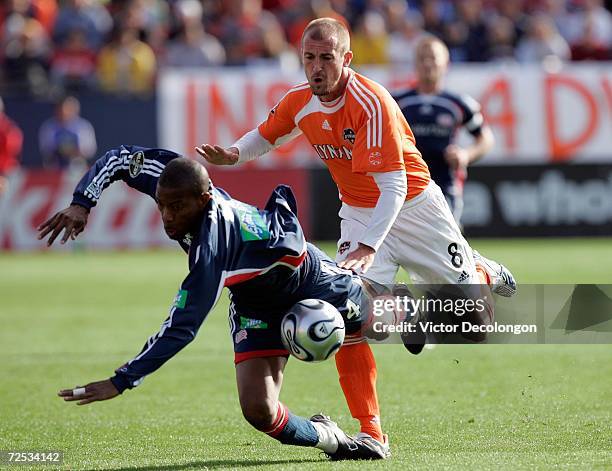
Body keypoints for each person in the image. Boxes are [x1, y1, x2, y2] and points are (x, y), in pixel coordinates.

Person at [196, 17, 517, 446]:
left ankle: (480, 271)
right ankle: (372, 431)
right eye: (309, 58)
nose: (316, 68)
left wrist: (369, 247)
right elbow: (268, 134)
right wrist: (235, 153)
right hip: (360, 213)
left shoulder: (371, 102)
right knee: (349, 319)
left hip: (415, 208)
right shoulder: (299, 101)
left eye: (326, 58)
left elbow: (395, 187)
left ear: (346, 58)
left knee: (476, 326)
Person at [37, 146, 388, 461]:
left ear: (204, 200)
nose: (167, 216)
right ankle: (333, 441)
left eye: (177, 207)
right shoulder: (170, 176)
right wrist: (83, 202)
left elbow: (182, 327)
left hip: (305, 277)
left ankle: (410, 313)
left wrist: (123, 380)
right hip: (255, 303)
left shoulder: (212, 249)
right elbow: (119, 158)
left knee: (380, 318)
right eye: (161, 205)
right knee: (258, 410)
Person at [393, 35, 495, 222]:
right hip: (404, 184)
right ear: (414, 64)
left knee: (445, 244)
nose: (427, 63)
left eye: (432, 57)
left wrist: (466, 155)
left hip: (445, 183)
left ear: (445, 64)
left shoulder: (458, 104)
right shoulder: (396, 102)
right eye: (422, 58)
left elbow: (485, 138)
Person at [38, 95, 97, 169]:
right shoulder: (49, 127)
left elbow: (89, 150)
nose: (64, 112)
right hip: (55, 167)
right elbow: (46, 149)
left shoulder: (83, 126)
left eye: (68, 109)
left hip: (77, 166)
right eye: (61, 109)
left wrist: (73, 151)